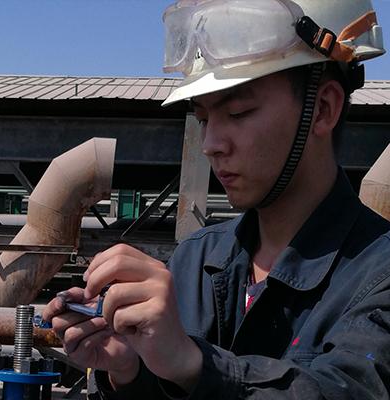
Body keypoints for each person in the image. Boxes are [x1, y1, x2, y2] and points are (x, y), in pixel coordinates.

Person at [44, 0, 390, 398]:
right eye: (204, 119)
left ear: (323, 109)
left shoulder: (378, 277)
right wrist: (130, 370)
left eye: (238, 112)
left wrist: (193, 364)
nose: (210, 144)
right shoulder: (195, 261)